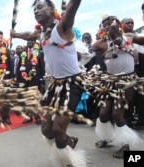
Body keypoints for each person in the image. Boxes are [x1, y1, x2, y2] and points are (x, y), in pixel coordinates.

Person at [11, 0, 88, 166]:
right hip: (55, 85)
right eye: (35, 9)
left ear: (51, 9)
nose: (36, 11)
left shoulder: (62, 27)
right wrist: (15, 35)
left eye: (40, 7)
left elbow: (73, 7)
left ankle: (69, 161)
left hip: (72, 84)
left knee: (58, 130)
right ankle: (69, 141)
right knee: (46, 130)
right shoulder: (41, 33)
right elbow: (29, 35)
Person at [92, 15, 143, 159]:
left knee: (117, 114)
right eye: (105, 24)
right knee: (103, 114)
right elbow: (84, 55)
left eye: (110, 23)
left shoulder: (129, 37)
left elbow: (124, 41)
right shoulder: (100, 44)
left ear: (118, 25)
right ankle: (106, 137)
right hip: (110, 82)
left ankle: (125, 146)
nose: (108, 26)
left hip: (127, 82)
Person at [121, 17, 144, 130]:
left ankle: (141, 121)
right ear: (122, 25)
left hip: (140, 73)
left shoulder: (139, 38)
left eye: (132, 23)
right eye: (128, 23)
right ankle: (127, 122)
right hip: (126, 74)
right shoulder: (118, 39)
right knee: (128, 99)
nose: (130, 25)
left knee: (141, 98)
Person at [15, 41, 45, 125]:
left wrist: (42, 81)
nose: (30, 42)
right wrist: (18, 79)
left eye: (32, 40)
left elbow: (43, 68)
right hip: (24, 80)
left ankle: (38, 117)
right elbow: (19, 66)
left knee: (35, 99)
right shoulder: (23, 53)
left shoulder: (39, 53)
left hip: (35, 79)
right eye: (29, 40)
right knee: (26, 99)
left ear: (35, 41)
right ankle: (29, 117)